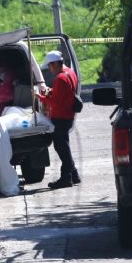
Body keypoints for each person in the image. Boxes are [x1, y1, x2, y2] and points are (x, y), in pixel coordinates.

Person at [36, 50, 80, 189]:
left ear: (55, 64)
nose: (49, 69)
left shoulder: (60, 78)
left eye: (50, 66)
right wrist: (51, 92)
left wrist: (40, 97)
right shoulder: (70, 73)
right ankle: (74, 174)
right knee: (64, 146)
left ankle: (66, 178)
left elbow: (55, 103)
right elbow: (63, 94)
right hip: (68, 116)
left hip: (61, 117)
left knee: (61, 148)